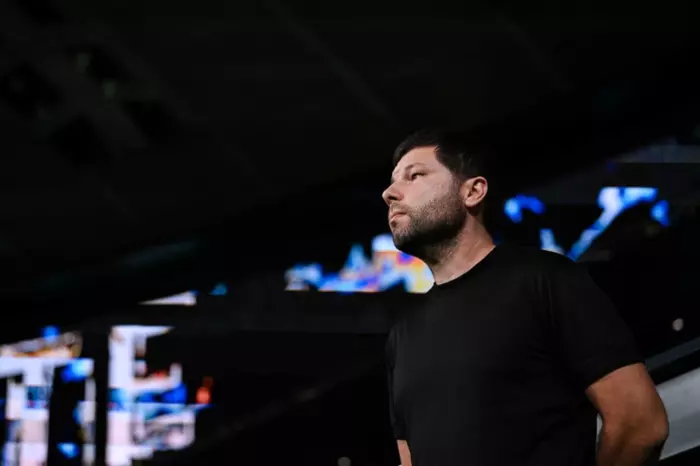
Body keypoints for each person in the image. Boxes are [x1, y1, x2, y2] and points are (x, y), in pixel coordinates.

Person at [382, 129, 669, 466]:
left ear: (473, 192)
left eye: (414, 175)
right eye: (392, 182)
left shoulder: (545, 280)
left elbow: (640, 424)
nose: (389, 193)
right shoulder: (402, 337)